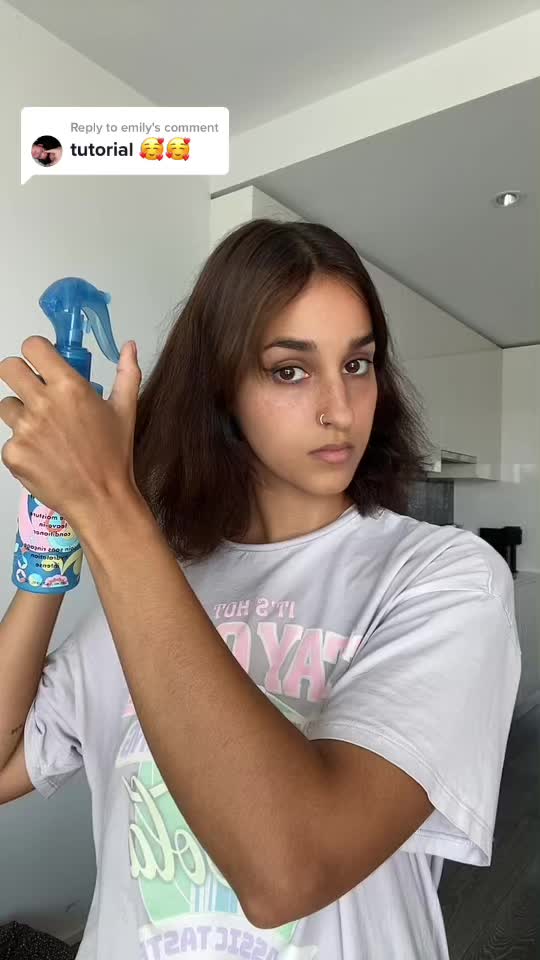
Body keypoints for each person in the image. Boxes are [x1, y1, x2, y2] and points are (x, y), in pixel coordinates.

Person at [0, 220, 521, 958]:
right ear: (222, 390)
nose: (340, 408)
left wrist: (106, 505)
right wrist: (54, 535)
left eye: (358, 364)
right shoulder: (152, 582)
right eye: (290, 371)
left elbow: (289, 869)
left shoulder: (444, 577)